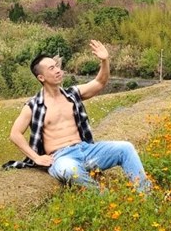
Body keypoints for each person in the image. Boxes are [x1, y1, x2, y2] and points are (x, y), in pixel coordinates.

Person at [9, 40, 151, 193]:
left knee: (125, 148)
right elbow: (15, 134)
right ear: (41, 78)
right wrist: (36, 158)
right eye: (51, 68)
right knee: (70, 170)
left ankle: (145, 196)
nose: (58, 70)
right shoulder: (33, 106)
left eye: (57, 66)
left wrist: (104, 60)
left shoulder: (72, 94)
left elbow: (100, 82)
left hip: (86, 150)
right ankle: (106, 199)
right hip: (61, 157)